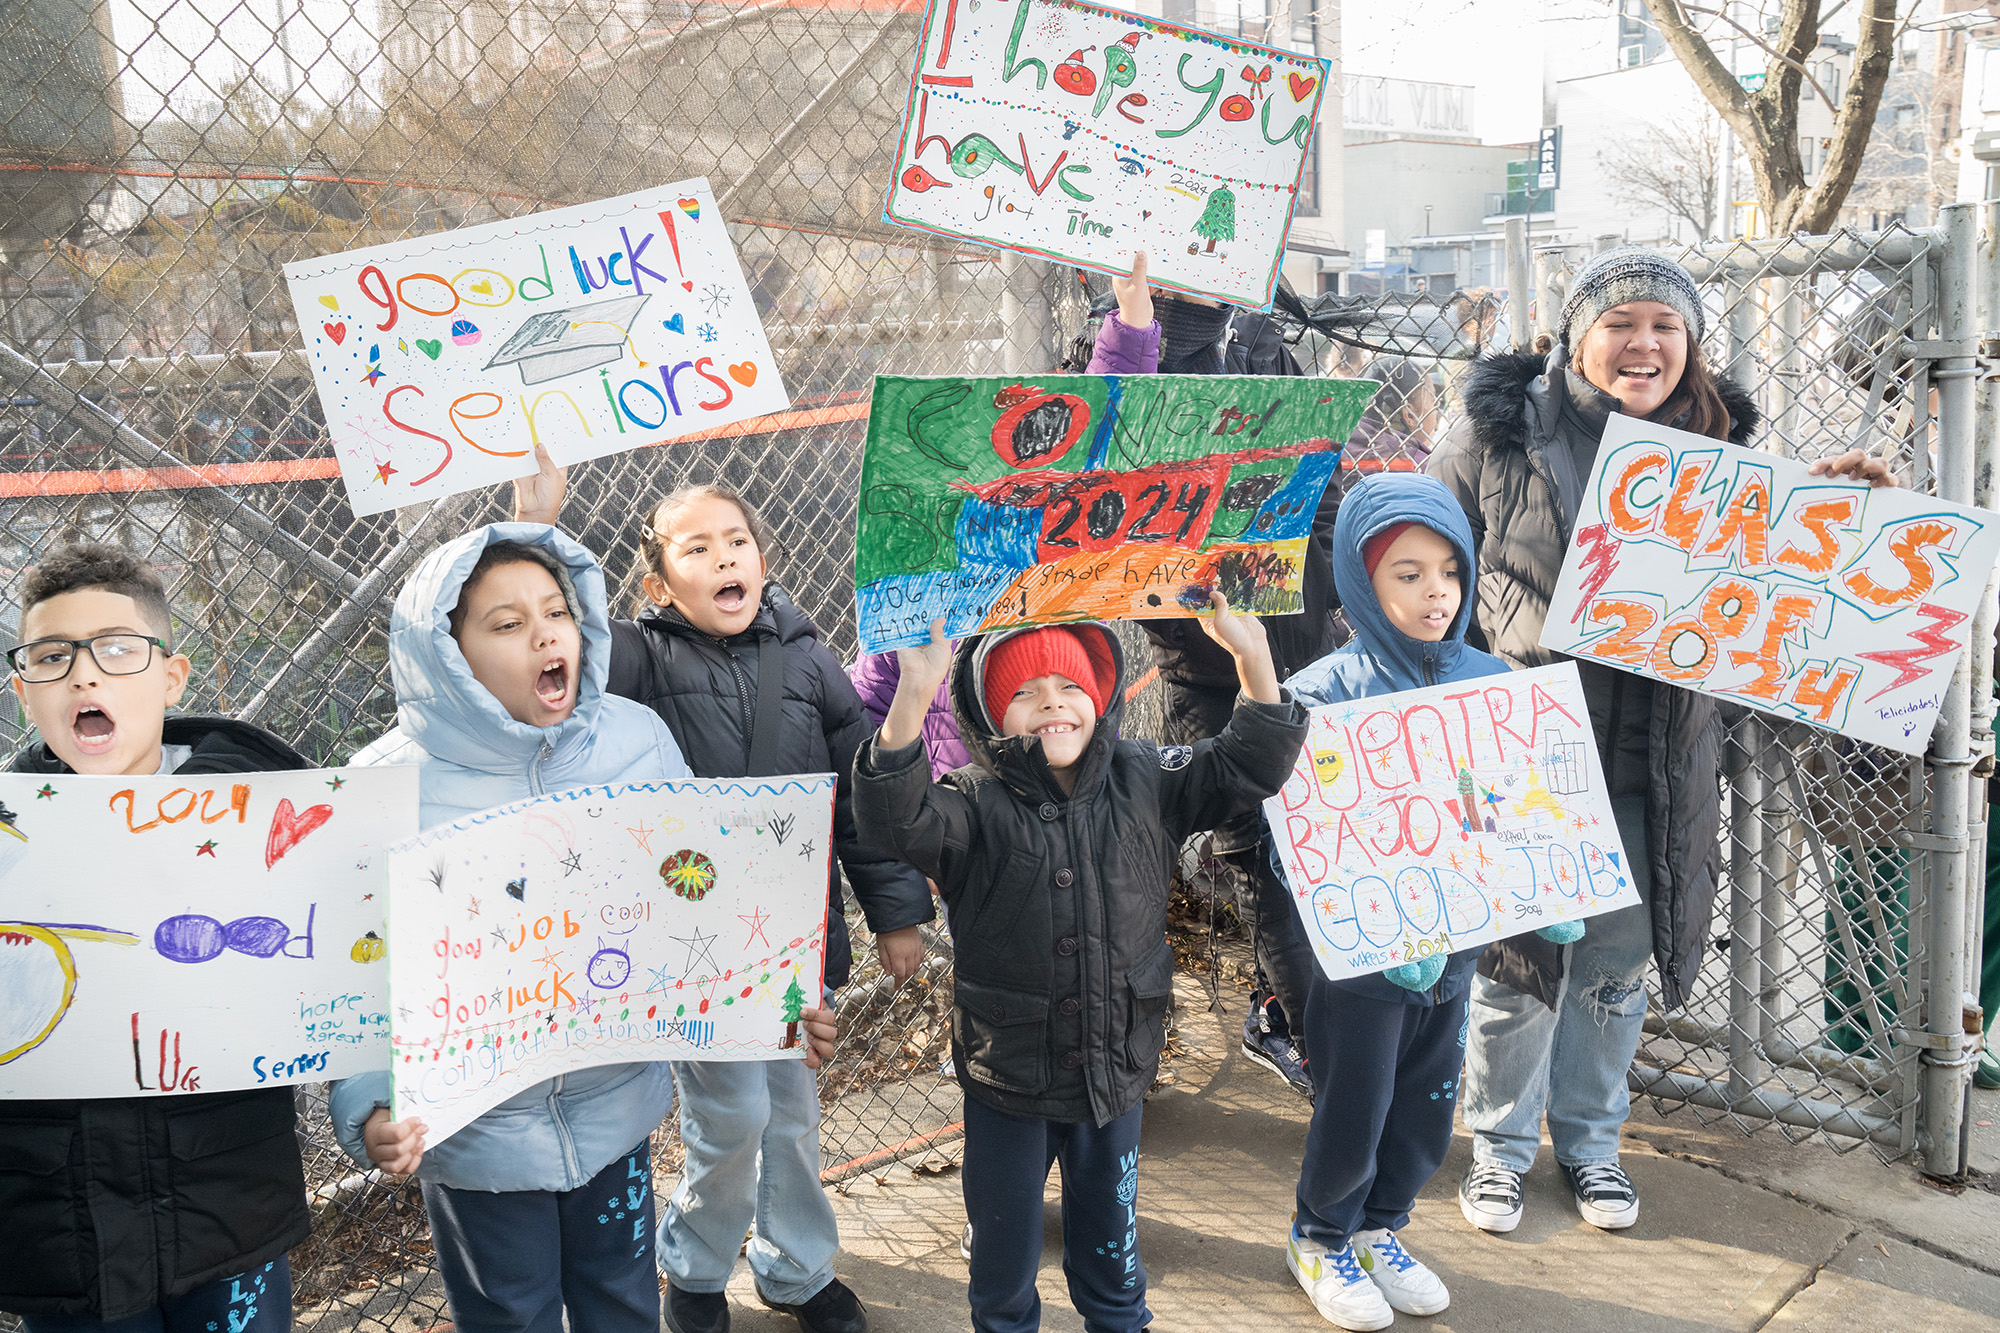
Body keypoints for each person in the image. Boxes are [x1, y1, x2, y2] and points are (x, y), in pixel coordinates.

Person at [1428, 245, 1897, 1235]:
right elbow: (1423, 563)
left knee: (1611, 967)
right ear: (1573, 337)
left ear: (1687, 346)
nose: (1641, 344)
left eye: (1663, 327)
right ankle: (1501, 1151)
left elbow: (1775, 600)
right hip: (1527, 754)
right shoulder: (1496, 433)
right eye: (1619, 323)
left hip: (1660, 764)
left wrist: (1837, 514)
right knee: (1518, 970)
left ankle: (1591, 1144)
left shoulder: (1723, 454)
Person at [327, 524, 838, 1333]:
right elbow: (354, 973)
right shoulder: (383, 785)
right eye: (505, 623)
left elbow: (698, 905)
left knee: (623, 1306)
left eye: (557, 611)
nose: (543, 634)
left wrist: (777, 1010)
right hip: (477, 1143)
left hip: (614, 1118)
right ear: (445, 652)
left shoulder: (637, 741)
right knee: (512, 1319)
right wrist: (368, 1105)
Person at [516, 470, 933, 1333]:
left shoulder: (813, 663)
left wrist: (894, 910)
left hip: (790, 947)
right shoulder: (639, 655)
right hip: (694, 952)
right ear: (661, 584)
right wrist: (537, 525)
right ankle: (697, 1266)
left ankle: (798, 1268)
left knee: (792, 1114)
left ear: (764, 559)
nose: (723, 557)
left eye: (735, 542)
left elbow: (857, 798)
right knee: (732, 1114)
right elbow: (562, 642)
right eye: (696, 548)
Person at [851, 604, 1305, 1333]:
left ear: (1100, 693)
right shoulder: (971, 799)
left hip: (1113, 1075)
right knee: (1002, 1259)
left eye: (1068, 684)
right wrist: (913, 693)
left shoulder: (1146, 775)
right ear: (995, 714)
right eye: (1026, 692)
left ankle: (1118, 1319)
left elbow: (1245, 764)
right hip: (1010, 1081)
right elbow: (891, 819)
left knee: (1112, 1253)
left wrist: (1254, 661)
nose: (1052, 702)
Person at [1278, 474, 1584, 1331]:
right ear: (1361, 580)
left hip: (1455, 952)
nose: (1435, 591)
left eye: (1449, 569)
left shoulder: (1490, 680)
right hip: (1364, 962)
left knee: (1426, 1107)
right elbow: (1295, 831)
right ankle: (1320, 1233)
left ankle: (1381, 1227)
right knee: (1356, 1104)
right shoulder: (1326, 691)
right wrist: (1370, 921)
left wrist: (1543, 888)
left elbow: (1507, 807)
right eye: (1407, 573)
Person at [0, 544, 312, 1333]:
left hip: (225, 1213)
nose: (82, 674)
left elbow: (335, 980)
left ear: (170, 678)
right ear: (22, 692)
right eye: (50, 657)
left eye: (115, 648)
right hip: (63, 1231)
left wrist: (369, 1095)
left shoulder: (270, 814)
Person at [1088, 252, 1332, 1104]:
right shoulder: (1128, 340)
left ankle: (1280, 1013)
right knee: (1257, 855)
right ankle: (1308, 1039)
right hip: (1205, 660)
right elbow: (1112, 495)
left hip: (1301, 648)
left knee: (1308, 860)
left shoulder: (1264, 340)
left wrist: (1315, 578)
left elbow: (1320, 485)